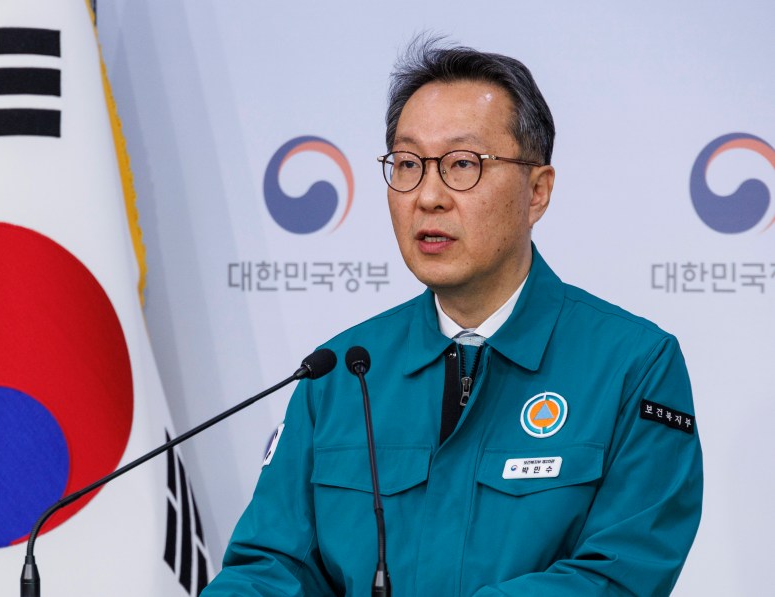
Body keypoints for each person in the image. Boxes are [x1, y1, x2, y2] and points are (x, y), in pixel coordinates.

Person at [203, 37, 702, 596]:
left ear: (537, 192)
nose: (428, 196)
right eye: (409, 164)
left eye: (463, 164)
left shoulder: (634, 365)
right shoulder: (340, 372)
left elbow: (619, 574)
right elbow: (270, 567)